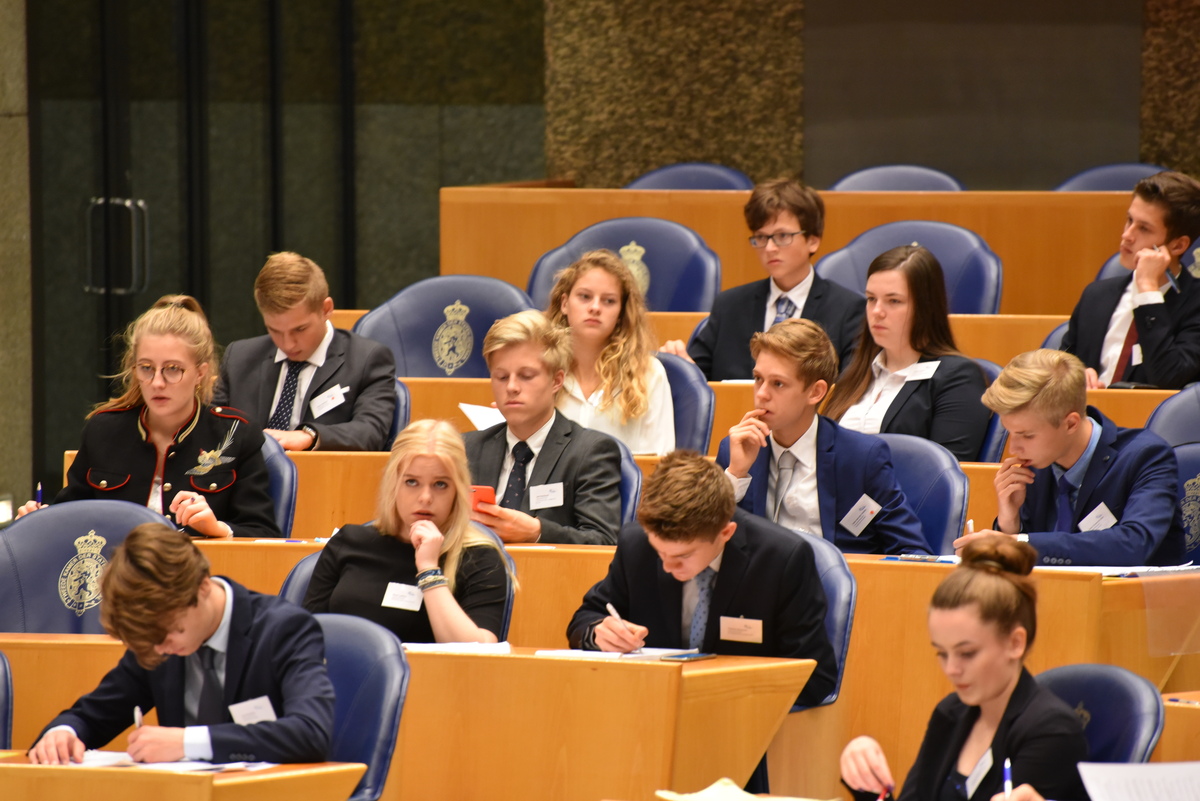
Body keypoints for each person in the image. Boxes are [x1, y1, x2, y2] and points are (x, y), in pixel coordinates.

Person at [28, 524, 334, 765]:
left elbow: (310, 733)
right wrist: (63, 733)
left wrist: (188, 742)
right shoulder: (156, 641)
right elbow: (92, 715)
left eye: (168, 633)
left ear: (202, 587)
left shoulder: (284, 629)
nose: (160, 650)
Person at [566, 450, 838, 708]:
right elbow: (585, 619)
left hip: (742, 721)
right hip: (648, 709)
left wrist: (718, 688)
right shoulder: (636, 544)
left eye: (683, 556)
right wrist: (598, 632)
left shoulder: (781, 559)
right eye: (660, 551)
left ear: (726, 533)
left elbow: (816, 677)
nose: (667, 565)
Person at [839, 535, 1089, 801]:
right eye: (942, 653)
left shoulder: (1052, 732)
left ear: (1015, 643)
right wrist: (870, 785)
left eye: (967, 653)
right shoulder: (951, 713)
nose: (952, 669)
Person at [16, 295, 279, 538]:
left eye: (172, 369)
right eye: (146, 368)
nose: (157, 382)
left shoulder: (235, 433)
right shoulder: (104, 430)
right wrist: (40, 520)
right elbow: (70, 518)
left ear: (200, 373)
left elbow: (264, 534)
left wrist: (218, 528)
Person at [716, 319, 931, 555]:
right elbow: (702, 541)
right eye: (758, 379)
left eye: (778, 383)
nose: (762, 394)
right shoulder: (735, 451)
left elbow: (912, 552)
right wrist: (735, 476)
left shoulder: (861, 459)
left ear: (815, 392)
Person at [954, 349, 1185, 567]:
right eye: (1010, 433)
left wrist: (1017, 542)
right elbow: (1032, 545)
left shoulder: (1146, 456)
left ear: (1071, 423)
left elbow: (1134, 543)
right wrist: (1009, 524)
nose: (1014, 449)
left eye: (1027, 435)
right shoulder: (1037, 464)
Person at [303, 419, 516, 643]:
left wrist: (429, 571)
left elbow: (477, 655)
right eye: (412, 482)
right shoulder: (349, 542)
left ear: (458, 490)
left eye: (440, 484)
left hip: (430, 678)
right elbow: (304, 636)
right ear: (393, 483)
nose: (425, 497)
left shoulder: (480, 558)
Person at [659, 177, 864, 380]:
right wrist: (683, 366)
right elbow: (700, 383)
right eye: (761, 237)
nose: (769, 248)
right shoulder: (729, 305)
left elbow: (849, 390)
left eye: (782, 236)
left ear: (812, 241)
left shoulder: (848, 309)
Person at [464, 310, 623, 545]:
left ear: (556, 381)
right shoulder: (467, 448)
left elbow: (603, 541)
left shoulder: (590, 452)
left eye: (526, 376)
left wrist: (538, 533)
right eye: (501, 377)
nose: (512, 387)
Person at [823, 245, 992, 462]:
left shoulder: (958, 378)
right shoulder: (857, 370)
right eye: (871, 299)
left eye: (894, 301)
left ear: (926, 308)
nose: (877, 312)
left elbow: (944, 476)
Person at [213, 251, 397, 451]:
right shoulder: (238, 358)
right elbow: (210, 428)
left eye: (299, 329)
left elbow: (371, 431)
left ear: (326, 309)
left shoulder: (367, 360)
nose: (288, 344)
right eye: (274, 330)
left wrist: (309, 436)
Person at [1061, 171, 1200, 389]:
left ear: (1178, 245)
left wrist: (1147, 292)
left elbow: (1168, 378)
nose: (1127, 235)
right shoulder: (1096, 295)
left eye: (1144, 228)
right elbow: (1061, 364)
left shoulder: (1195, 304)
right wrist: (1074, 374)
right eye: (1130, 220)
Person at [546, 249, 675, 455]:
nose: (595, 307)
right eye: (585, 296)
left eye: (609, 301)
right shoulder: (541, 367)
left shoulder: (649, 373)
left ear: (621, 313)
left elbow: (659, 462)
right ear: (564, 304)